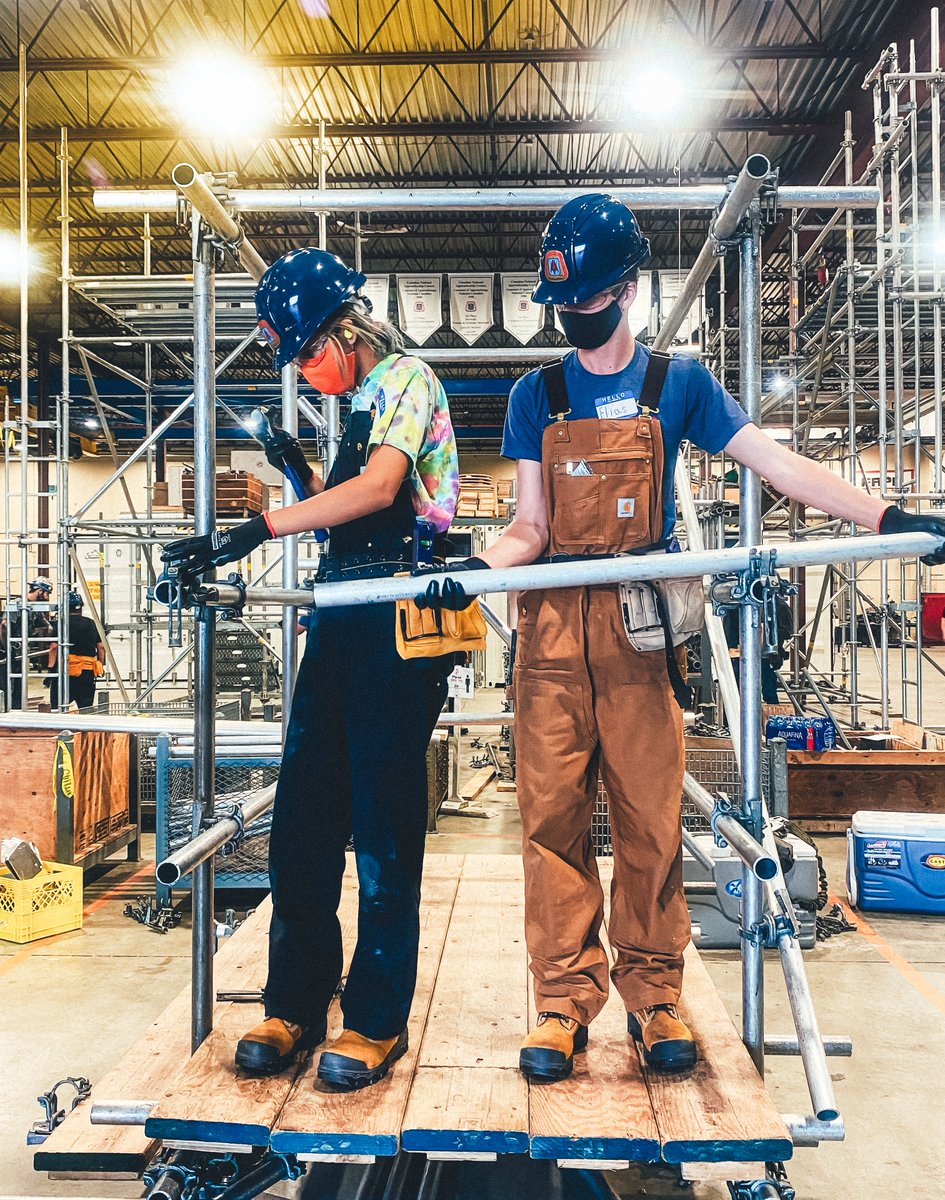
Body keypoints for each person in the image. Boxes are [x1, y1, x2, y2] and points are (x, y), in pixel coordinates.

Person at [416, 193, 945, 1081]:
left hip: (639, 631)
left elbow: (780, 465)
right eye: (565, 310)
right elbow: (530, 526)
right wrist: (471, 566)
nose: (574, 323)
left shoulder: (680, 386)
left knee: (649, 821)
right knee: (548, 823)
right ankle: (559, 1002)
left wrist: (891, 513)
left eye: (587, 305)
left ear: (626, 291)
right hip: (550, 638)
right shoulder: (533, 395)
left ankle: (655, 996)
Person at [161, 248, 460, 1091]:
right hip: (338, 615)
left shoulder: (406, 380)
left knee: (382, 832)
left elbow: (376, 492)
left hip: (399, 622)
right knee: (304, 820)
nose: (304, 367)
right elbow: (340, 507)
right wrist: (290, 479)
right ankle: (294, 1003)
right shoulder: (360, 398)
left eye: (306, 351)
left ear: (349, 329)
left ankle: (372, 1023)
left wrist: (265, 526)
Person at [1, 577, 54, 710]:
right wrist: (6, 648)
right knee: (8, 684)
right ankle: (7, 712)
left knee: (19, 684)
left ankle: (17, 710)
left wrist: (48, 629)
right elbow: (4, 626)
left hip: (20, 653)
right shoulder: (17, 604)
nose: (47, 598)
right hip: (8, 652)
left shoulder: (35, 608)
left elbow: (47, 626)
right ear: (40, 591)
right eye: (47, 593)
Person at [47, 592, 105, 711]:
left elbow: (54, 647)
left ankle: (60, 729)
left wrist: (50, 669)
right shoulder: (91, 623)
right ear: (81, 607)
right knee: (86, 708)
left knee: (58, 708)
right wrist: (100, 664)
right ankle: (85, 729)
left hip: (65, 672)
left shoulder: (61, 623)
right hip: (87, 672)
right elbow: (101, 646)